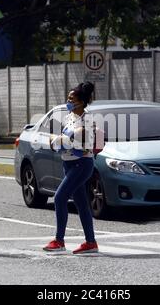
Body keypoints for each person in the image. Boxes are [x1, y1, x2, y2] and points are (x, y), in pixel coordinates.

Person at [44, 82, 98, 254]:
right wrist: (62, 140)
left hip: (81, 164)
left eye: (71, 98)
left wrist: (61, 140)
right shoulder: (70, 118)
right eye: (68, 98)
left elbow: (84, 147)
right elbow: (64, 141)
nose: (68, 101)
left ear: (81, 101)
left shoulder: (87, 119)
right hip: (68, 163)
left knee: (59, 198)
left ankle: (59, 241)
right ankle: (91, 243)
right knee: (82, 204)